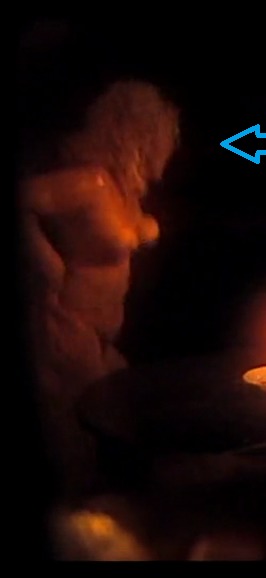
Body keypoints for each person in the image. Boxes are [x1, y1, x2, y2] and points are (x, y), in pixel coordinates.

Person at [17, 79, 180, 495]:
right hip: (69, 328)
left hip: (104, 339)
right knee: (84, 451)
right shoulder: (88, 184)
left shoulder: (125, 193)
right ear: (131, 136)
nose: (163, 151)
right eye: (154, 138)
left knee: (122, 433)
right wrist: (42, 259)